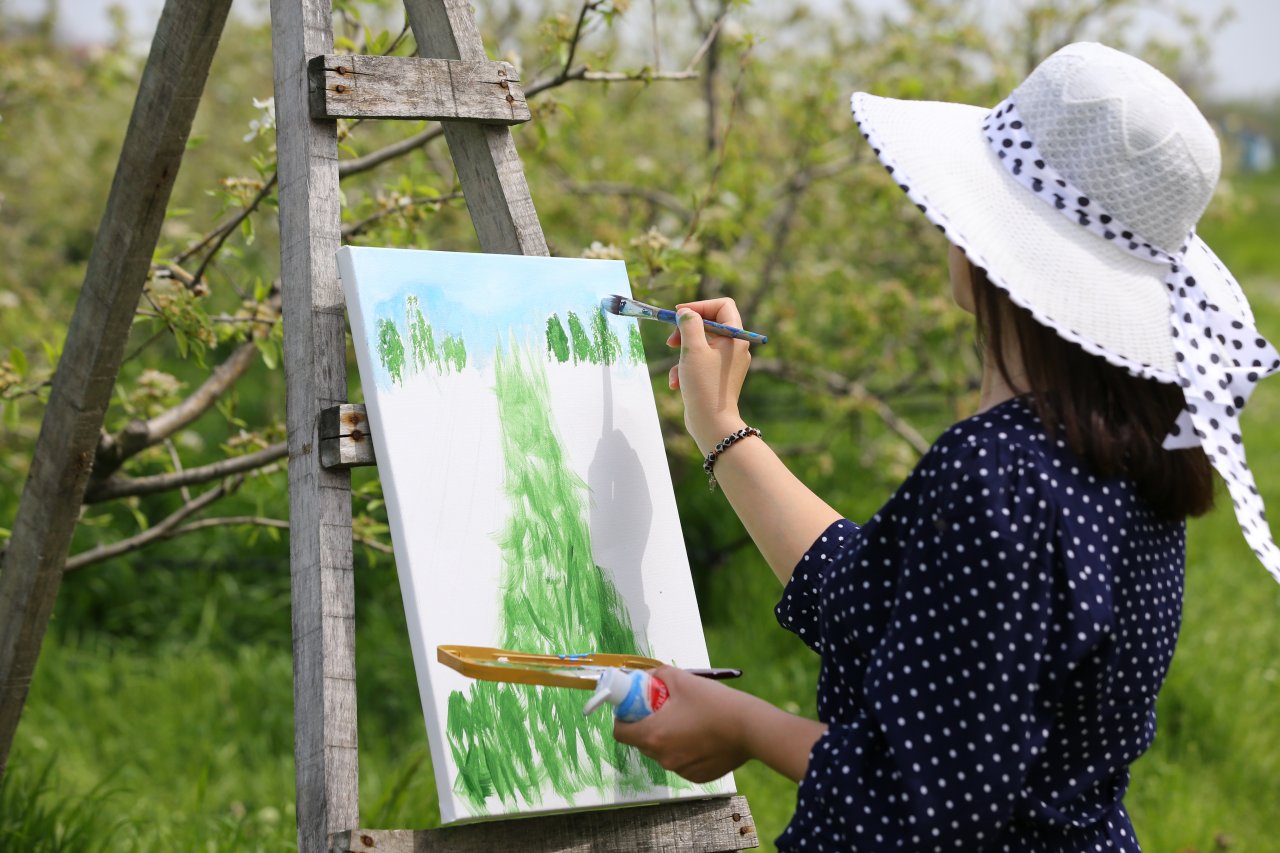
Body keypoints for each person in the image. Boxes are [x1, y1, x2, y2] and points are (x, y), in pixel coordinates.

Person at [611, 42, 1280, 851]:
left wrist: (744, 725)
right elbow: (878, 605)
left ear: (988, 244)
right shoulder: (1131, 459)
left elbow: (925, 802)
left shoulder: (997, 475)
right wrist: (720, 424)